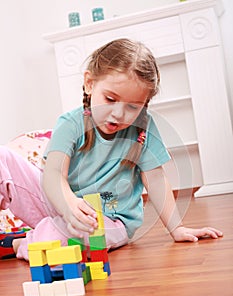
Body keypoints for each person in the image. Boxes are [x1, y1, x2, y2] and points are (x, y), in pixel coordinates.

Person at [0, 38, 222, 261]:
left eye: (132, 107)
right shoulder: (70, 123)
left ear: (144, 106)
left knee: (62, 235)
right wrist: (68, 204)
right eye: (110, 99)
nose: (118, 114)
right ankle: (41, 232)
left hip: (106, 220)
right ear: (89, 84)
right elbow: (54, 175)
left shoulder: (143, 128)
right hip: (61, 201)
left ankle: (18, 242)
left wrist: (177, 229)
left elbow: (155, 180)